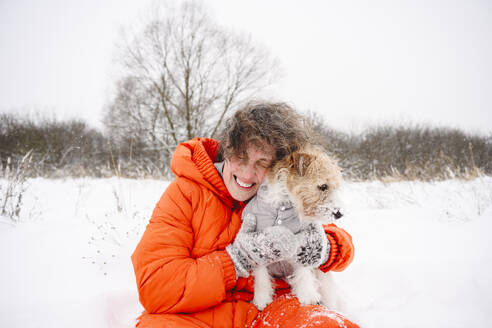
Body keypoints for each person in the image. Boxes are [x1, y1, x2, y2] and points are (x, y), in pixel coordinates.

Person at [131, 102, 358, 327]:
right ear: (227, 150)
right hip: (195, 316)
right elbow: (155, 286)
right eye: (240, 157)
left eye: (262, 163)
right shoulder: (184, 194)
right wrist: (237, 259)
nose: (247, 174)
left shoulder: (284, 195)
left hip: (275, 310)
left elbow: (336, 239)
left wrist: (327, 248)